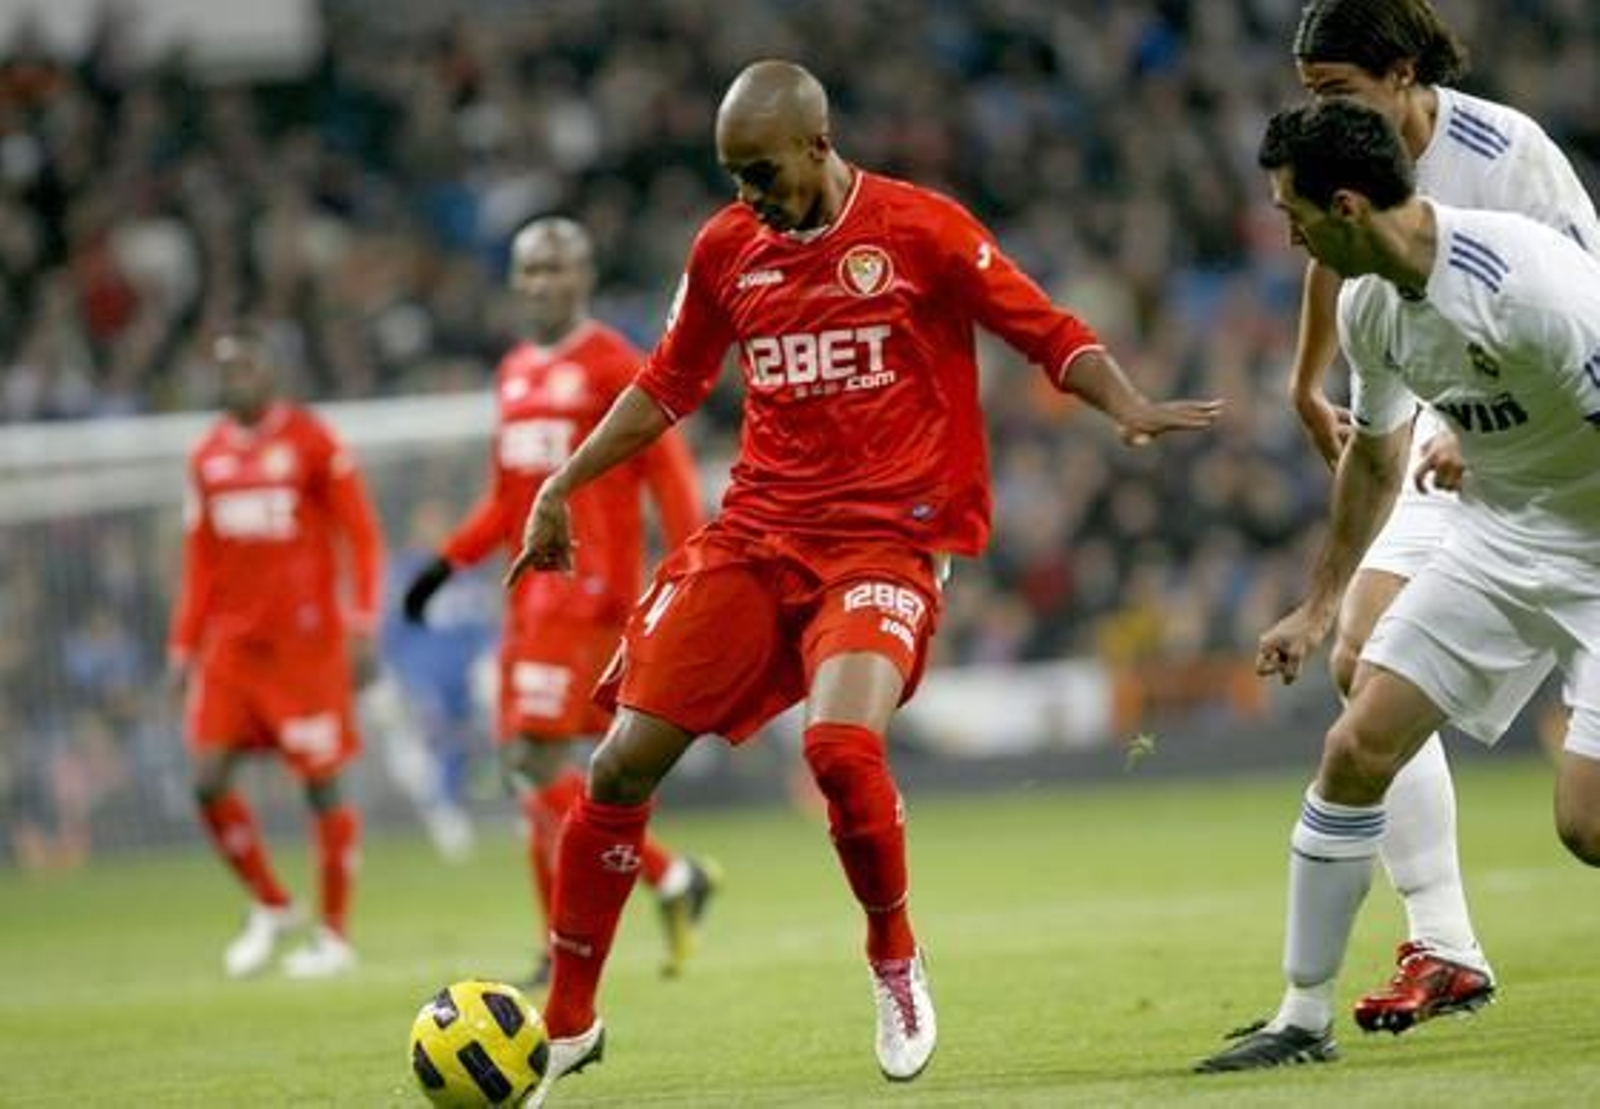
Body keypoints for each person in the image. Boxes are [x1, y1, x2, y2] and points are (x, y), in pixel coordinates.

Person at [508, 60, 1222, 1105]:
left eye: (762, 171)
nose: (748, 193)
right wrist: (562, 483)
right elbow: (668, 381)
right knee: (617, 767)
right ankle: (569, 1021)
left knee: (839, 748)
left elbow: (1045, 328)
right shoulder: (724, 248)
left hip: (887, 542)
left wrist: (1125, 403)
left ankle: (892, 953)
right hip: (757, 536)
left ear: (817, 143)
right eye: (733, 175)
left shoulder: (919, 229)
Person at [1196, 98, 1600, 1072]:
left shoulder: (1530, 284)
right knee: (1354, 746)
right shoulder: (1369, 305)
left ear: (1344, 206)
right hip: (1501, 538)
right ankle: (1303, 1016)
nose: (1287, 235)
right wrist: (1319, 601)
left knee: (1586, 824)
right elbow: (1373, 459)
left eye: (1292, 213)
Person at [401, 217, 718, 985]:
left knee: (532, 759)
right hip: (527, 599)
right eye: (531, 270)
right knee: (532, 777)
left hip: (588, 596)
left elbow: (669, 476)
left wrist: (692, 571)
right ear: (515, 281)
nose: (543, 282)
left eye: (557, 268)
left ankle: (664, 875)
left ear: (585, 275)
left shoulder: (614, 363)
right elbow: (509, 497)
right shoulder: (514, 372)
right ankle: (565, 937)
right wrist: (447, 563)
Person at [167, 325, 384, 978]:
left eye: (246, 365)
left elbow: (362, 536)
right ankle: (273, 902)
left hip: (304, 648)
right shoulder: (206, 456)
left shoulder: (313, 441)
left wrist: (362, 621)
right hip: (232, 649)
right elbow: (200, 563)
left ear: (271, 371)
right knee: (207, 780)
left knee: (321, 784)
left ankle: (335, 936)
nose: (234, 378)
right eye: (224, 368)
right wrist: (182, 646)